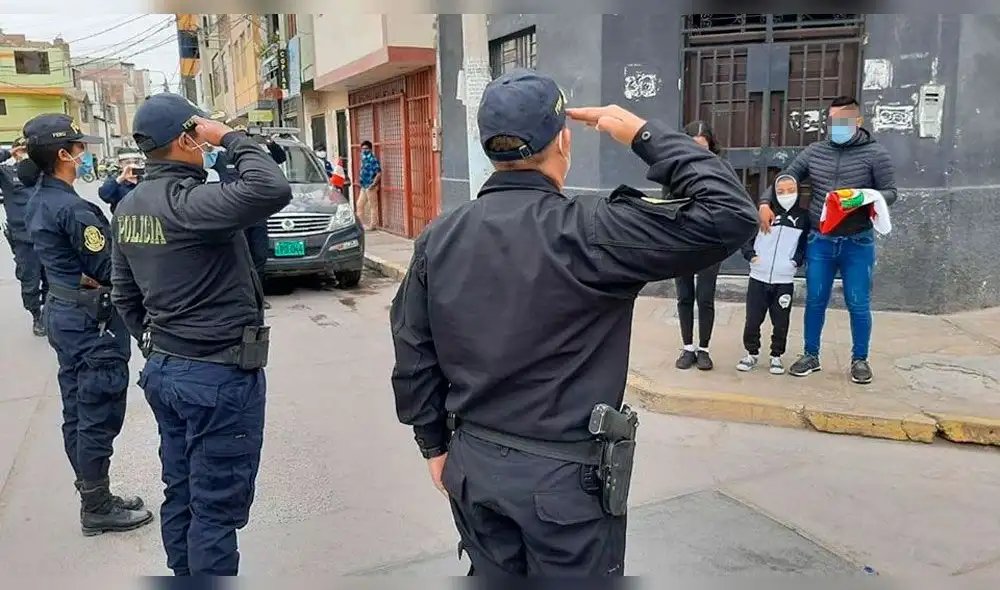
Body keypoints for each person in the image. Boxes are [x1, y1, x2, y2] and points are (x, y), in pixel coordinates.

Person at [390, 70, 757, 576]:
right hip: (563, 484)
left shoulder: (440, 237)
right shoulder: (591, 230)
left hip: (474, 466)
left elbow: (413, 349)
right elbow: (731, 214)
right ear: (563, 140)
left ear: (488, 148)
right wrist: (641, 134)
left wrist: (432, 443)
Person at [110, 92, 292, 576]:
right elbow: (271, 188)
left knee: (183, 491)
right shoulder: (189, 202)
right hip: (216, 377)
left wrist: (159, 346)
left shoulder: (129, 208)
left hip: (168, 369)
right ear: (188, 138)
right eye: (199, 133)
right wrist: (229, 136)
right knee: (214, 510)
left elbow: (125, 296)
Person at [21, 114, 153, 536]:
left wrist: (84, 274)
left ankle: (95, 494)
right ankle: (96, 506)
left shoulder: (39, 198)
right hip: (91, 323)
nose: (83, 154)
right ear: (63, 155)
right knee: (97, 410)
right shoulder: (74, 209)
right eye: (77, 147)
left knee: (77, 409)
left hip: (65, 312)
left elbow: (69, 265)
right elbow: (108, 268)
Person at [758, 96, 897, 384]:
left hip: (857, 243)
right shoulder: (815, 151)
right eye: (832, 121)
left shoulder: (876, 154)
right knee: (815, 301)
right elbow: (788, 177)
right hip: (820, 241)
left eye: (843, 121)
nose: (837, 126)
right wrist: (765, 201)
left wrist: (864, 198)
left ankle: (860, 359)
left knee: (858, 303)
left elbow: (891, 192)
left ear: (858, 122)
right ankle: (811, 354)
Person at [737, 174, 809, 375]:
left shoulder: (803, 217)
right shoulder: (764, 213)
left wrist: (794, 262)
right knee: (753, 319)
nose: (786, 195)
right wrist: (752, 256)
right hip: (758, 277)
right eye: (780, 191)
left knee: (781, 321)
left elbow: (804, 245)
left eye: (790, 190)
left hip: (784, 280)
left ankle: (776, 356)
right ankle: (751, 353)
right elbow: (746, 239)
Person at [208, 136, 287, 310]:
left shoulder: (255, 159)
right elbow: (202, 161)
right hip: (235, 219)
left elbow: (280, 159)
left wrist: (271, 143)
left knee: (259, 256)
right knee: (239, 258)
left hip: (257, 216)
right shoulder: (221, 158)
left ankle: (257, 296)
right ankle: (239, 297)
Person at [672, 121, 727, 371]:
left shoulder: (721, 169)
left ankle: (704, 349)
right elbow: (666, 204)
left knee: (705, 297)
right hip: (682, 242)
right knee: (684, 296)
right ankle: (687, 347)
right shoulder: (675, 170)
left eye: (703, 147)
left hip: (710, 241)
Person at [0, 137, 48, 336]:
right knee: (30, 279)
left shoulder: (42, 170)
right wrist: (9, 153)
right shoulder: (6, 173)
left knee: (52, 278)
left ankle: (48, 313)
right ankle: (36, 315)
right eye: (21, 151)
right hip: (22, 239)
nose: (24, 155)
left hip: (46, 235)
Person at [357, 139, 380, 229]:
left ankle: (373, 225)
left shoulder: (372, 159)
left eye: (366, 148)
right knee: (359, 204)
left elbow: (378, 173)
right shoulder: (364, 159)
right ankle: (359, 225)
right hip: (363, 186)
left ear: (370, 149)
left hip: (370, 186)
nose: (364, 150)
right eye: (362, 149)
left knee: (373, 205)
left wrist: (373, 184)